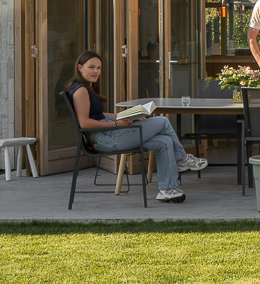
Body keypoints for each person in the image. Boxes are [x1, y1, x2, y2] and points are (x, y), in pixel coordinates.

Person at [66, 50, 207, 203]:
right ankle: (183, 158)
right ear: (80, 67)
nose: (96, 71)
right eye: (91, 67)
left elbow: (98, 115)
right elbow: (84, 123)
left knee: (165, 142)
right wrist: (116, 123)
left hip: (107, 134)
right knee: (163, 121)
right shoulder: (80, 90)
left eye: (98, 68)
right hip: (104, 139)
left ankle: (167, 189)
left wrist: (124, 116)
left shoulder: (84, 87)